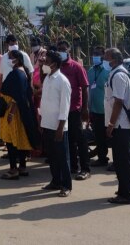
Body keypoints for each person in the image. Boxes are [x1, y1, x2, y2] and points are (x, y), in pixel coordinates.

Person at [104, 47, 130, 204]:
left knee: (122, 161)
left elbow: (118, 102)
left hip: (120, 125)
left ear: (113, 59)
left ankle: (126, 194)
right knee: (126, 160)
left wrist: (111, 124)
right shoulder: (118, 73)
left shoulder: (118, 75)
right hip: (122, 125)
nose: (104, 60)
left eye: (106, 57)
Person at [0, 50, 40, 180]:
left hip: (13, 112)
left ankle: (13, 169)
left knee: (11, 141)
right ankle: (22, 166)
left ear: (17, 59)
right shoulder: (23, 72)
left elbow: (18, 96)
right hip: (19, 111)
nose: (8, 60)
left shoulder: (17, 73)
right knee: (21, 139)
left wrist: (11, 112)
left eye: (10, 58)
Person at [40, 50, 73, 197]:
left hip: (58, 126)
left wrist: (60, 127)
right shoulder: (47, 78)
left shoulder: (63, 81)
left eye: (46, 61)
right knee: (52, 156)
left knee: (62, 157)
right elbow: (45, 101)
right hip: (47, 123)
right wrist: (41, 120)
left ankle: (66, 185)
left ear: (54, 64)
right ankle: (55, 181)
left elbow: (65, 107)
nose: (44, 63)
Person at [57, 40, 90, 181]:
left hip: (75, 109)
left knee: (80, 140)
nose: (61, 51)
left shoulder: (76, 67)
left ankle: (85, 169)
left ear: (68, 50)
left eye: (63, 49)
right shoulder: (57, 67)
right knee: (69, 140)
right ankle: (73, 166)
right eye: (59, 49)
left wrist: (84, 108)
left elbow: (84, 87)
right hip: (62, 110)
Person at [88, 45, 110, 167]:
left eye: (98, 54)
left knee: (109, 136)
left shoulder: (108, 71)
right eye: (94, 53)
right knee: (99, 136)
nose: (95, 56)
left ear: (103, 56)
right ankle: (102, 158)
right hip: (94, 110)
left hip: (106, 110)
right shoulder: (91, 71)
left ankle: (112, 159)